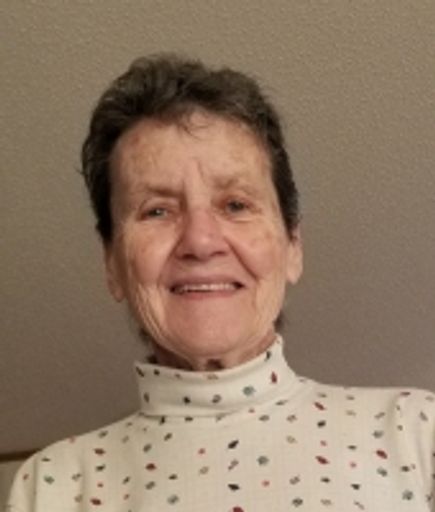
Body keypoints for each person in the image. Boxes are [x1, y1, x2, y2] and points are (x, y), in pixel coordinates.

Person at [6, 54, 434, 512]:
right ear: (112, 264)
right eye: (156, 210)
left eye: (235, 205)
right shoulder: (53, 485)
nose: (201, 241)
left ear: (293, 245)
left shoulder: (417, 433)